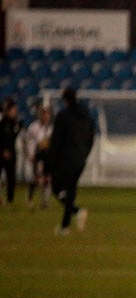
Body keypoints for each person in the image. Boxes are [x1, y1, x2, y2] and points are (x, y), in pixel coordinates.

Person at [49, 87, 95, 235]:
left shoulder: (63, 116)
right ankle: (65, 226)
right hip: (80, 158)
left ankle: (76, 211)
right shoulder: (87, 115)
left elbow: (56, 140)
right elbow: (91, 138)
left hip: (65, 158)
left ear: (65, 99)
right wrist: (84, 154)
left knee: (57, 188)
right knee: (71, 190)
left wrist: (51, 162)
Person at [24, 105, 54, 210]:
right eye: (44, 114)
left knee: (47, 178)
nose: (46, 117)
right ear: (41, 115)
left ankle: (45, 201)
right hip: (38, 155)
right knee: (36, 178)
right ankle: (30, 198)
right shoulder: (34, 126)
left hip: (48, 156)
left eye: (48, 115)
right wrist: (29, 154)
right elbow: (27, 140)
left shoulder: (51, 128)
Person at [0, 98, 25, 207]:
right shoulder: (3, 122)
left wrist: (18, 128)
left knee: (11, 178)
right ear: (8, 110)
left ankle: (10, 200)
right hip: (1, 153)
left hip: (12, 152)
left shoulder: (14, 122)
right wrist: (3, 150)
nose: (15, 112)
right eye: (13, 110)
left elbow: (13, 137)